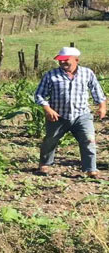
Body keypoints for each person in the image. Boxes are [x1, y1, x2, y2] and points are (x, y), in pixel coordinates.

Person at [34, 47, 107, 178]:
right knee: (50, 140)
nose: (62, 63)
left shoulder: (87, 73)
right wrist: (47, 109)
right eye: (60, 60)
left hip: (82, 115)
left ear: (76, 60)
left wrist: (102, 106)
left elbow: (97, 91)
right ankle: (44, 164)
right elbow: (39, 95)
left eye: (65, 60)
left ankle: (91, 169)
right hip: (58, 116)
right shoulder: (51, 75)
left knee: (88, 141)